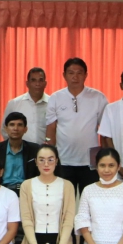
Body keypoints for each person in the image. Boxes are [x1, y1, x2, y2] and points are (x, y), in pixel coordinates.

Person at [45, 58, 108, 195]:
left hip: (90, 162)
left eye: (79, 73)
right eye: (71, 73)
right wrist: (50, 155)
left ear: (86, 75)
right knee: (65, 204)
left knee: (91, 202)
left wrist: (104, 157)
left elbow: (104, 130)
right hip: (64, 160)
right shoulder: (55, 98)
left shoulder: (98, 97)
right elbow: (51, 129)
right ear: (64, 75)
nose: (75, 77)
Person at [19, 145, 76, 244]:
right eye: (42, 160)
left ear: (56, 161)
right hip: (35, 241)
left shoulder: (67, 185)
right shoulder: (27, 185)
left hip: (59, 241)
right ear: (36, 162)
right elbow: (26, 219)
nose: (46, 164)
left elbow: (69, 221)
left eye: (50, 160)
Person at [0, 112, 42, 193]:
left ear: (25, 129)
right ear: (6, 128)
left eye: (19, 125)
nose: (15, 128)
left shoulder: (34, 149)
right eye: (12, 125)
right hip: (2, 190)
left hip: (27, 191)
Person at [2, 67, 49, 144]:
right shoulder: (14, 103)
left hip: (45, 152)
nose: (37, 84)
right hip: (21, 152)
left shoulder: (52, 104)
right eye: (33, 80)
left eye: (40, 80)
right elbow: (5, 129)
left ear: (45, 83)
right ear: (27, 84)